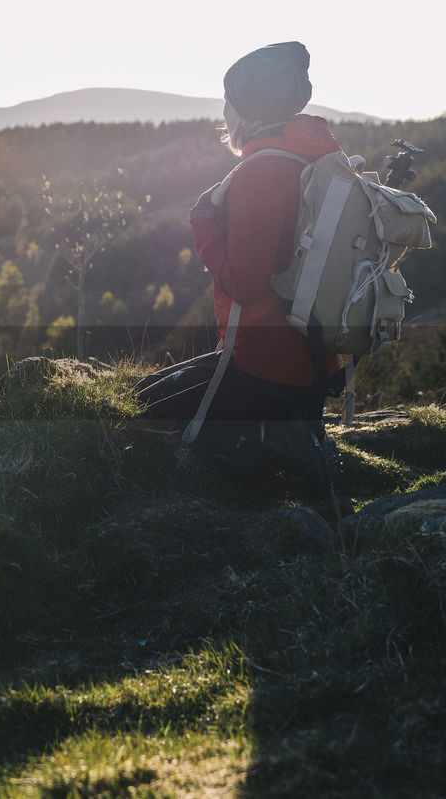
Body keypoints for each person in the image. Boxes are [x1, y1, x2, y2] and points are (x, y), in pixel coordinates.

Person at [135, 41, 343, 492]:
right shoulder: (320, 159)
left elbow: (245, 287)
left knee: (144, 423)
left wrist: (204, 224)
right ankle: (285, 426)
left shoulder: (259, 174)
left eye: (228, 100)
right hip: (315, 361)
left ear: (243, 110)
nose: (223, 110)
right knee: (144, 394)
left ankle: (272, 437)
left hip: (265, 365)